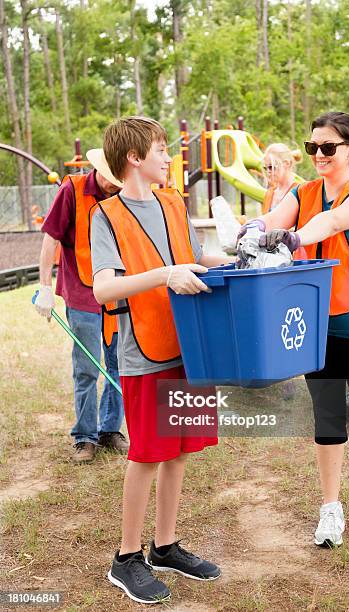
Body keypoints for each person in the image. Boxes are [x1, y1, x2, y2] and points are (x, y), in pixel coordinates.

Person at [239, 111, 349, 548]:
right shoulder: (303, 190)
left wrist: (295, 239)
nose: (318, 154)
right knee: (327, 414)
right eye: (313, 147)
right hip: (313, 323)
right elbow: (275, 219)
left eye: (327, 147)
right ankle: (330, 508)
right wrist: (256, 229)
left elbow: (331, 223)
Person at [91, 116, 233, 604]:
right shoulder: (106, 215)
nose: (169, 156)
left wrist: (240, 258)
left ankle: (165, 545)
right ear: (134, 157)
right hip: (144, 351)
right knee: (149, 454)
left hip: (189, 345)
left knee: (180, 449)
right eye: (160, 149)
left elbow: (196, 257)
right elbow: (104, 287)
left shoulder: (174, 201)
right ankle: (127, 557)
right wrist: (162, 274)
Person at [35, 150, 128, 463]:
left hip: (118, 291)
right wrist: (45, 287)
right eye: (113, 181)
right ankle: (85, 438)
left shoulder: (126, 191)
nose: (117, 187)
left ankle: (109, 429)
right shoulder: (71, 189)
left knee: (120, 365)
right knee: (87, 368)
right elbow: (51, 239)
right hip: (82, 293)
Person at [261, 142, 302, 214]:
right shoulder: (270, 193)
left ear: (286, 164)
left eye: (271, 167)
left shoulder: (300, 191)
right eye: (265, 168)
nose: (268, 172)